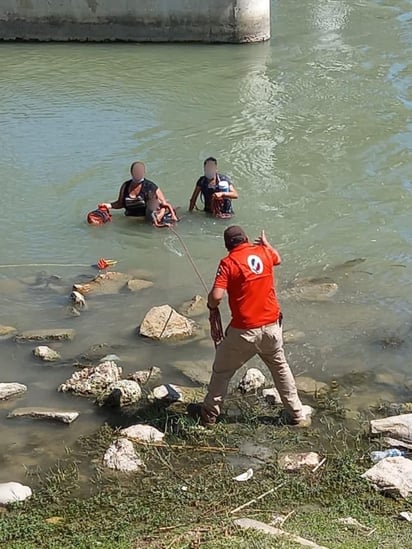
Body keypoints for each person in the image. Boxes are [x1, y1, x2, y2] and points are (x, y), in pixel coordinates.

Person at [188, 226, 312, 428]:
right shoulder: (264, 252)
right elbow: (277, 258)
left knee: (222, 371)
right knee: (280, 368)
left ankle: (209, 414)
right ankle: (297, 415)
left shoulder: (228, 262)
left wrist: (211, 306)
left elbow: (217, 296)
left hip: (244, 331)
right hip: (272, 327)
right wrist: (266, 244)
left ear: (227, 245)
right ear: (246, 239)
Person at [99, 161, 167, 219]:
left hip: (145, 220)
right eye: (136, 170)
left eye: (140, 171)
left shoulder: (150, 186)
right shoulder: (125, 186)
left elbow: (164, 204)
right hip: (130, 220)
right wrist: (108, 205)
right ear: (131, 172)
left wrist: (160, 215)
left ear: (144, 172)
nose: (138, 173)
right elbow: (120, 203)